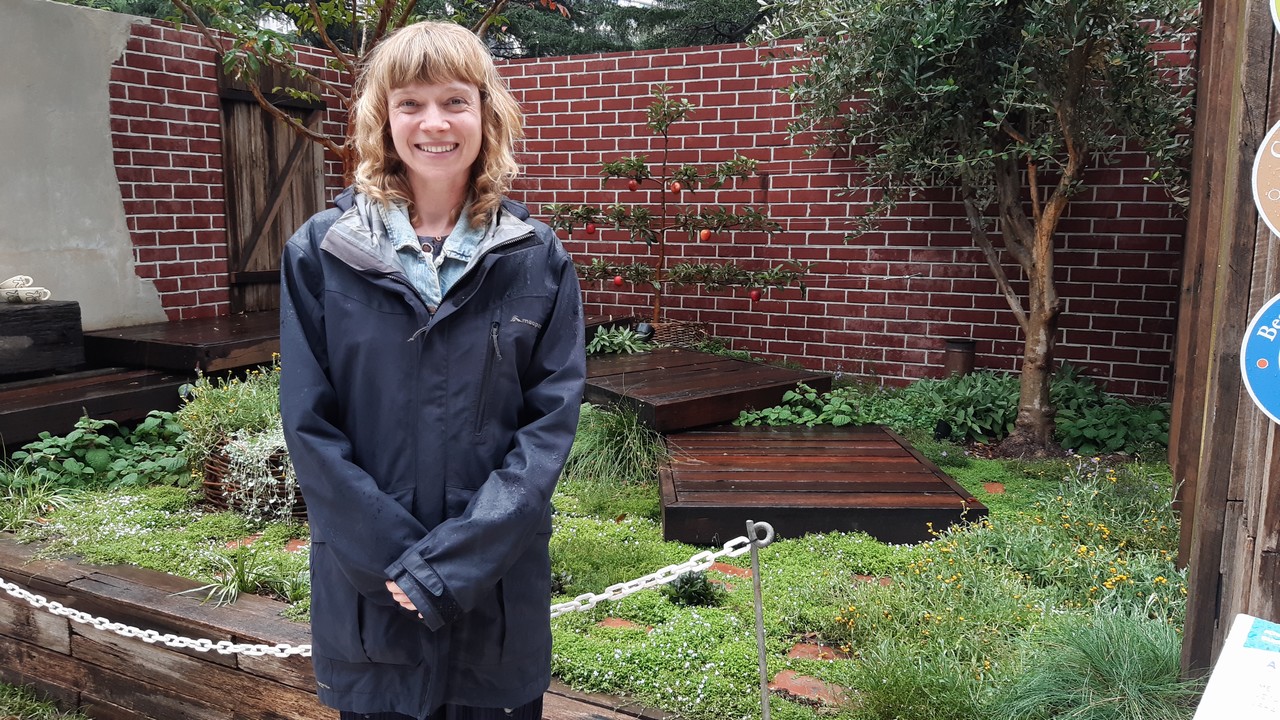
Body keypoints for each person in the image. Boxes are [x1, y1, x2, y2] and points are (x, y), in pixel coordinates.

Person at [278, 20, 586, 720]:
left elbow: (548, 429)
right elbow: (309, 425)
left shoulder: (536, 257)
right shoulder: (322, 253)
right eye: (410, 103)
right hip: (370, 606)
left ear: (486, 113)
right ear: (382, 118)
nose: (434, 123)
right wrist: (400, 564)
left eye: (454, 100)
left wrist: (453, 565)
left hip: (495, 604)